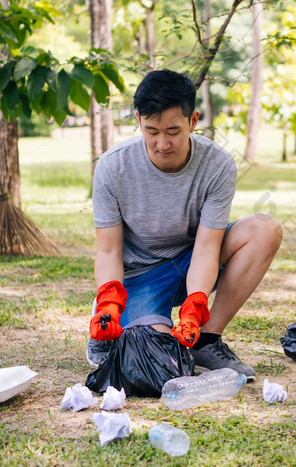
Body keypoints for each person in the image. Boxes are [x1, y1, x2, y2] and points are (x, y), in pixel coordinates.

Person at [86, 70, 282, 381]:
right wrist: (109, 299)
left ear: (193, 120)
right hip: (140, 276)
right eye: (151, 131)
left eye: (173, 131)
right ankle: (117, 324)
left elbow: (206, 248)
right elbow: (109, 251)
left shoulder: (217, 165)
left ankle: (205, 339)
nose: (162, 143)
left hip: (192, 260)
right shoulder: (113, 166)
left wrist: (195, 303)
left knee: (264, 228)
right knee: (163, 362)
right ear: (138, 119)